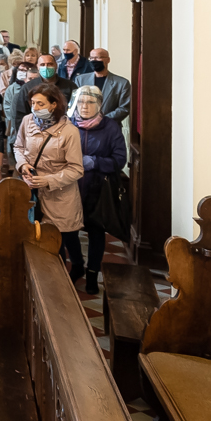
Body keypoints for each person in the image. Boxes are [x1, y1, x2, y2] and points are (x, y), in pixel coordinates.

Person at [14, 83, 85, 281]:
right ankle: (50, 280)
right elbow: (18, 146)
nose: (35, 108)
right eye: (33, 103)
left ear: (54, 105)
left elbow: (76, 169)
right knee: (40, 236)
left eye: (40, 104)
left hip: (60, 194)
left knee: (64, 237)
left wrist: (47, 180)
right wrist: (22, 165)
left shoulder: (69, 131)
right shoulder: (27, 121)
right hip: (32, 190)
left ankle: (71, 273)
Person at [70, 85, 127, 294]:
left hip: (98, 190)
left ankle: (93, 273)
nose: (85, 106)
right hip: (71, 188)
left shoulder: (111, 127)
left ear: (100, 104)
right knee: (69, 231)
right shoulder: (68, 124)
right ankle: (77, 265)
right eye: (81, 102)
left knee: (96, 231)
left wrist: (94, 162)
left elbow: (120, 159)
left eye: (90, 102)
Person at [12, 54, 75, 130]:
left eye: (50, 64)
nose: (46, 67)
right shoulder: (28, 87)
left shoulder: (70, 86)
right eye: (42, 65)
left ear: (56, 65)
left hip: (64, 130)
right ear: (37, 67)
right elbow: (21, 114)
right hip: (35, 130)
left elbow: (75, 112)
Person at [72, 48, 130, 123]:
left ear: (108, 60)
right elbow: (74, 103)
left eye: (98, 57)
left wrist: (101, 119)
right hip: (83, 125)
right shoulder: (80, 80)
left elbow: (124, 108)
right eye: (91, 58)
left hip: (109, 126)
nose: (94, 60)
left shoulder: (122, 83)